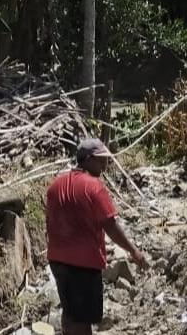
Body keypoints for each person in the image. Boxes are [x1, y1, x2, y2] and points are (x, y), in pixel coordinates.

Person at [46, 138, 148, 335]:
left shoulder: (55, 186)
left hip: (57, 260)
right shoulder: (94, 187)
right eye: (101, 160)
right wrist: (133, 251)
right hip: (83, 263)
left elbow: (49, 223)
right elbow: (110, 225)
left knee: (70, 312)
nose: (104, 164)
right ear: (87, 159)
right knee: (82, 319)